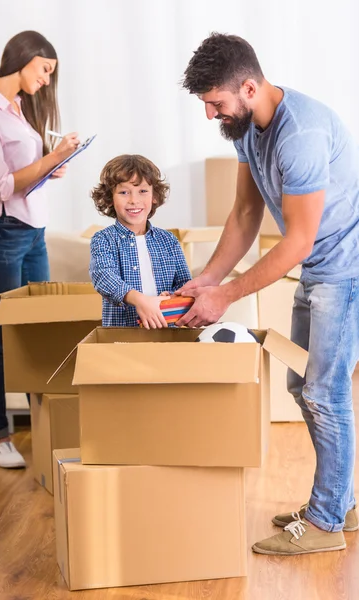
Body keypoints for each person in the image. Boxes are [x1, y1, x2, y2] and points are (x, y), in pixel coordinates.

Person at [178, 32, 359, 555]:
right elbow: (245, 214)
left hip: (345, 272)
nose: (210, 114)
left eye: (215, 103)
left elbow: (298, 241)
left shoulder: (298, 134)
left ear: (250, 87)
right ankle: (339, 502)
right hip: (321, 269)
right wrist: (210, 279)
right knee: (303, 388)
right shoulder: (248, 129)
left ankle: (326, 522)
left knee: (325, 392)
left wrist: (227, 296)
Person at [0, 31, 80, 468]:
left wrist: (53, 167)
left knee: (39, 330)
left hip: (34, 232)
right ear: (25, 58)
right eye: (45, 69)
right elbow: (1, 186)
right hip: (1, 235)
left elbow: (25, 177)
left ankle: (46, 427)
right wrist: (51, 159)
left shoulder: (17, 109)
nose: (47, 81)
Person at [89, 154, 191, 328]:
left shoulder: (168, 241)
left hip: (167, 332)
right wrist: (140, 300)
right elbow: (103, 276)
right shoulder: (103, 239)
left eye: (142, 191)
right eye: (123, 192)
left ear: (154, 196)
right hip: (121, 337)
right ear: (110, 198)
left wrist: (173, 296)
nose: (134, 200)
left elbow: (184, 284)